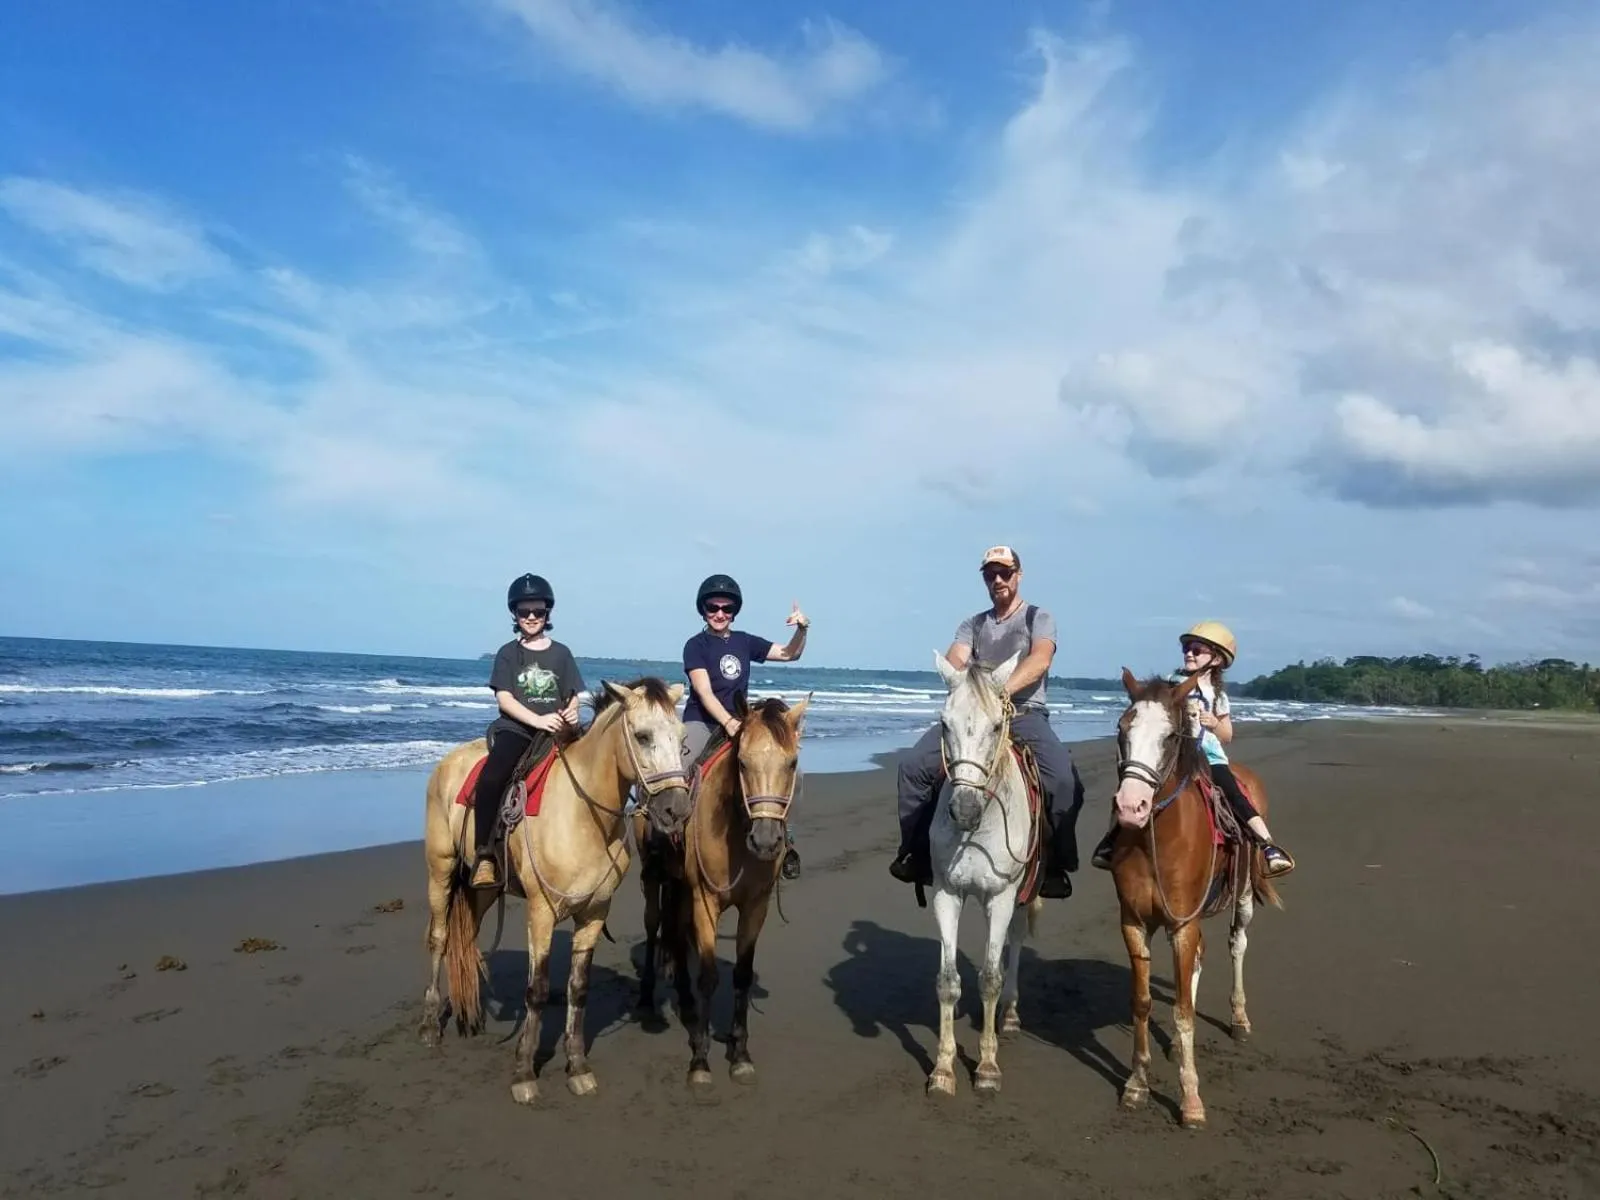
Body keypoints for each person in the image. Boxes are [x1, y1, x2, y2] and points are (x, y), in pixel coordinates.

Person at [890, 545, 1083, 899]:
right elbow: (956, 657)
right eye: (990, 574)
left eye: (1004, 572)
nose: (997, 580)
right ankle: (916, 852)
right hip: (976, 718)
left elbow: (1041, 659)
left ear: (1018, 575)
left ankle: (1056, 864)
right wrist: (959, 680)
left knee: (1063, 779)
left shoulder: (1037, 618)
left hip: (1024, 714)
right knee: (913, 767)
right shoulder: (974, 624)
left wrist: (1000, 692)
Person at [1089, 621, 1295, 876]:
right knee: (1136, 778)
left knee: (1233, 792)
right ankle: (1112, 839)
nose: (1189, 653)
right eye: (1187, 648)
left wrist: (1212, 722)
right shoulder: (1172, 683)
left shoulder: (1218, 696)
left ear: (1217, 659)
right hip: (1177, 749)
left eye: (1197, 650)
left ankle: (1266, 845)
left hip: (1208, 753)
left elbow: (1227, 734)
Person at [679, 573, 810, 880]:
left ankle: (786, 838)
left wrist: (803, 629)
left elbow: (790, 653)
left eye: (727, 608)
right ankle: (670, 841)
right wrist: (727, 722)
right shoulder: (695, 645)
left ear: (735, 611)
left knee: (793, 774)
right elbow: (703, 691)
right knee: (683, 770)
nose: (720, 614)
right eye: (713, 607)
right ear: (703, 609)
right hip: (703, 721)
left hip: (743, 723)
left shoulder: (744, 642)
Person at [468, 573, 585, 889]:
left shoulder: (561, 653)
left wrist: (572, 710)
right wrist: (537, 721)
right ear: (515, 615)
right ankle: (485, 856)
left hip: (558, 729)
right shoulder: (508, 653)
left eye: (538, 612)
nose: (531, 618)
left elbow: (573, 692)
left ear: (548, 614)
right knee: (491, 778)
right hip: (518, 730)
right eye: (524, 612)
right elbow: (505, 699)